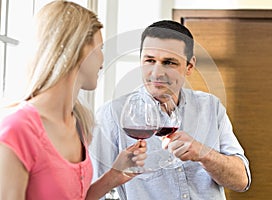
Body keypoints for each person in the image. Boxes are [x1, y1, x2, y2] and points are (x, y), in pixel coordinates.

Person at [0, 1, 147, 200]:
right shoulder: (18, 129)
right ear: (78, 50)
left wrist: (114, 175)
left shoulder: (78, 124)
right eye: (100, 48)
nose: (103, 61)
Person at [91, 20, 251, 200]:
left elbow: (242, 181)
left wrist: (203, 154)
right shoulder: (112, 114)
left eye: (169, 63)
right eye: (150, 60)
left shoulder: (211, 107)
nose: (157, 73)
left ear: (189, 66)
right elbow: (93, 191)